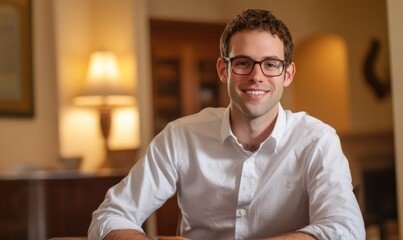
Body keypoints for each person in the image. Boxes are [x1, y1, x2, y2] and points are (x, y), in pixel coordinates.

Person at [88, 9, 365, 240]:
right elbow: (110, 217)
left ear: (288, 74)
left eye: (271, 64)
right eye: (243, 63)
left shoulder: (318, 140)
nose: (257, 76)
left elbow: (345, 229)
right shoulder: (180, 136)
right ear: (224, 70)